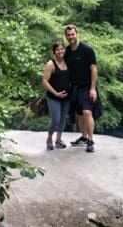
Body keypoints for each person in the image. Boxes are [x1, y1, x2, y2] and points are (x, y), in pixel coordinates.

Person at [63, 24, 101, 153]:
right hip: (74, 87)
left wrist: (93, 88)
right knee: (79, 114)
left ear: (77, 34)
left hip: (87, 86)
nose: (71, 37)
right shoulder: (67, 51)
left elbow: (93, 69)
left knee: (87, 112)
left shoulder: (87, 49)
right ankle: (84, 137)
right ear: (66, 37)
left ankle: (90, 141)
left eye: (73, 34)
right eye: (68, 35)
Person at [41, 41, 71, 151]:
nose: (60, 51)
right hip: (53, 97)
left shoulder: (67, 61)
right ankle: (49, 138)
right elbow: (44, 81)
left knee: (62, 119)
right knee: (56, 119)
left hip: (66, 97)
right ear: (54, 52)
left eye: (62, 49)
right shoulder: (51, 64)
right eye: (57, 49)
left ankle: (58, 140)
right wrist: (56, 93)